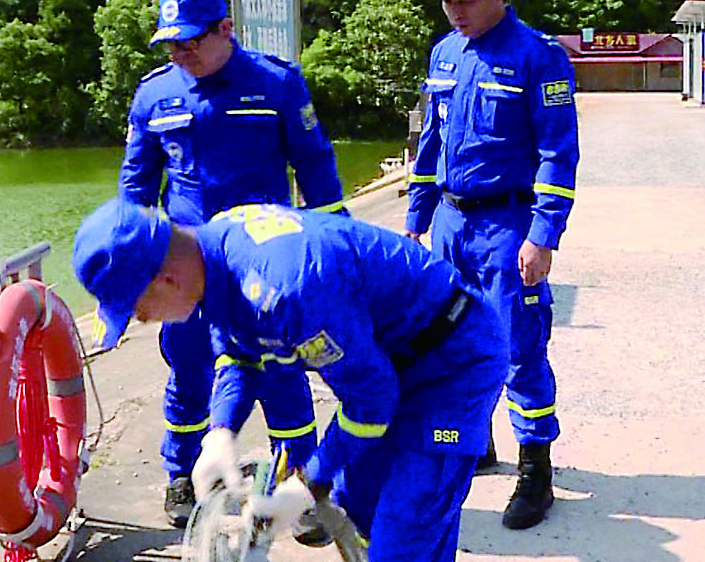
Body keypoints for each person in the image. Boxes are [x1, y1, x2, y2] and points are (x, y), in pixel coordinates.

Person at [72, 199, 506, 562]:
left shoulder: (288, 289)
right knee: (360, 505)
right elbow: (239, 353)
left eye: (138, 309)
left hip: (453, 363)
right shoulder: (212, 254)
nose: (143, 319)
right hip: (386, 359)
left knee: (406, 530)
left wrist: (307, 482)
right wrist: (220, 431)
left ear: (166, 279)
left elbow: (372, 401)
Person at [116, 0, 346, 528]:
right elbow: (136, 189)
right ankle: (182, 472)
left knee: (281, 370)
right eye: (171, 44)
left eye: (191, 41)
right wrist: (131, 266)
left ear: (226, 29)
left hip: (265, 263)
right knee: (190, 367)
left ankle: (300, 484)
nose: (181, 53)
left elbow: (315, 165)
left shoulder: (275, 83)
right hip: (186, 267)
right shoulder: (154, 95)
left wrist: (335, 251)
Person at [406, 0, 579, 530]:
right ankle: (472, 442)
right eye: (446, 0)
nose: (454, 10)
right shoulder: (444, 54)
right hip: (450, 223)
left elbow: (558, 152)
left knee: (517, 346)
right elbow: (429, 143)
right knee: (450, 342)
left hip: (507, 225)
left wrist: (543, 235)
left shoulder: (538, 57)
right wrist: (418, 216)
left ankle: (536, 469)